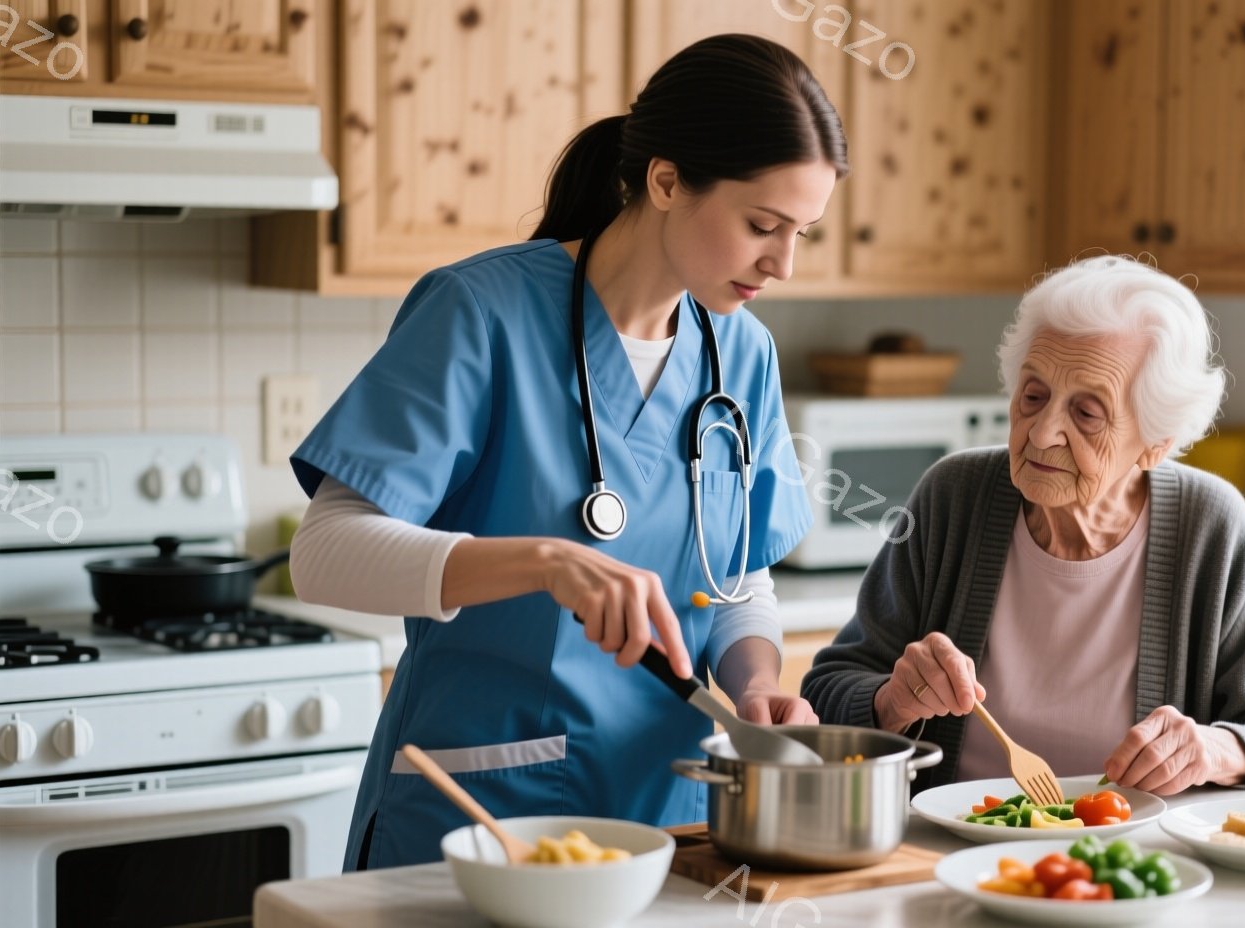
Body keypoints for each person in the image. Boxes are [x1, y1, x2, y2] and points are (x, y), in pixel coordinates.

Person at [287, 34, 847, 870]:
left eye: (803, 232)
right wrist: (548, 562)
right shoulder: (479, 313)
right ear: (666, 182)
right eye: (763, 225)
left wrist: (758, 681)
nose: (785, 262)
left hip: (670, 819)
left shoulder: (743, 352)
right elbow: (324, 554)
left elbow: (738, 579)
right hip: (482, 818)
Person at [802, 256, 1245, 796]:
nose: (1041, 434)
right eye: (1033, 396)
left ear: (1155, 444)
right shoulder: (954, 497)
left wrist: (1214, 750)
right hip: (946, 839)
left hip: (1129, 849)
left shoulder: (1209, 526)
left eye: (1086, 414)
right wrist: (892, 701)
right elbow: (823, 694)